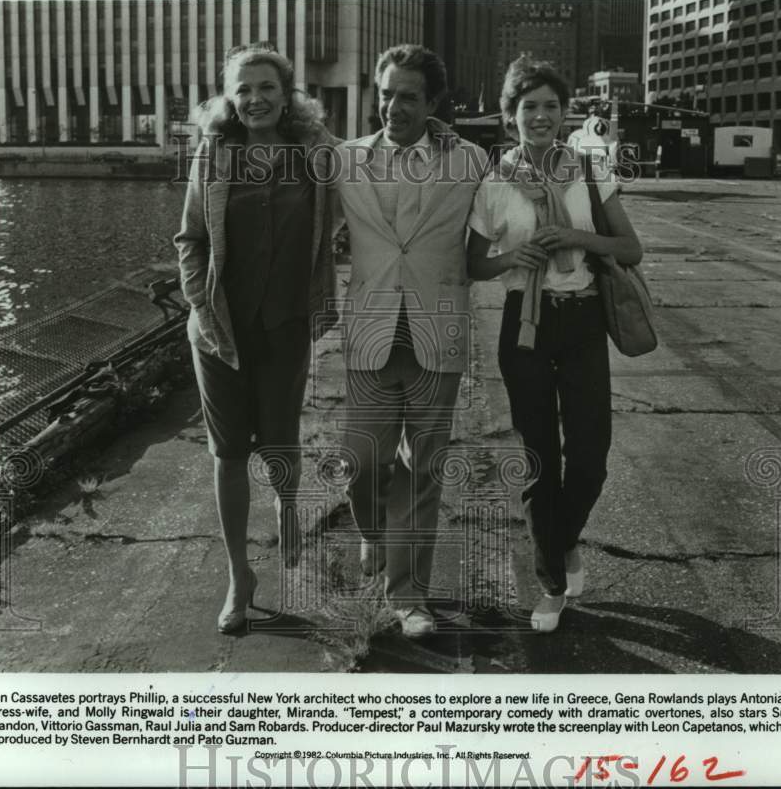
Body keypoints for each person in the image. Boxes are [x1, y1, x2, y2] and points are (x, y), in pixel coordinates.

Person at [466, 56, 642, 633]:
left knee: (590, 455)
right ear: (509, 115)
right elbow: (474, 263)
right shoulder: (494, 182)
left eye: (550, 106)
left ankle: (562, 543)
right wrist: (510, 257)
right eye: (528, 107)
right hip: (526, 325)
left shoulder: (588, 171)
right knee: (540, 458)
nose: (540, 116)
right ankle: (550, 583)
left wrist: (571, 235)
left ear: (565, 113)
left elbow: (630, 248)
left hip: (584, 317)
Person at [173, 43, 340, 634]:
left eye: (266, 87)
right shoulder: (214, 155)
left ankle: (289, 509)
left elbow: (370, 187)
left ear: (287, 94)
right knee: (228, 455)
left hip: (288, 322)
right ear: (228, 97)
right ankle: (239, 575)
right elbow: (190, 238)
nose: (254, 99)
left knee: (280, 442)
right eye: (242, 89)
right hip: (221, 331)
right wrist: (200, 303)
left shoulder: (315, 154)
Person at [334, 44, 487, 639]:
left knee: (422, 468)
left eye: (408, 97)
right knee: (362, 460)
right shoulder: (345, 159)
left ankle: (410, 597)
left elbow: (504, 218)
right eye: (386, 93)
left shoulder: (471, 160)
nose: (393, 107)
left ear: (433, 103)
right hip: (371, 329)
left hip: (436, 332)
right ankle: (374, 532)